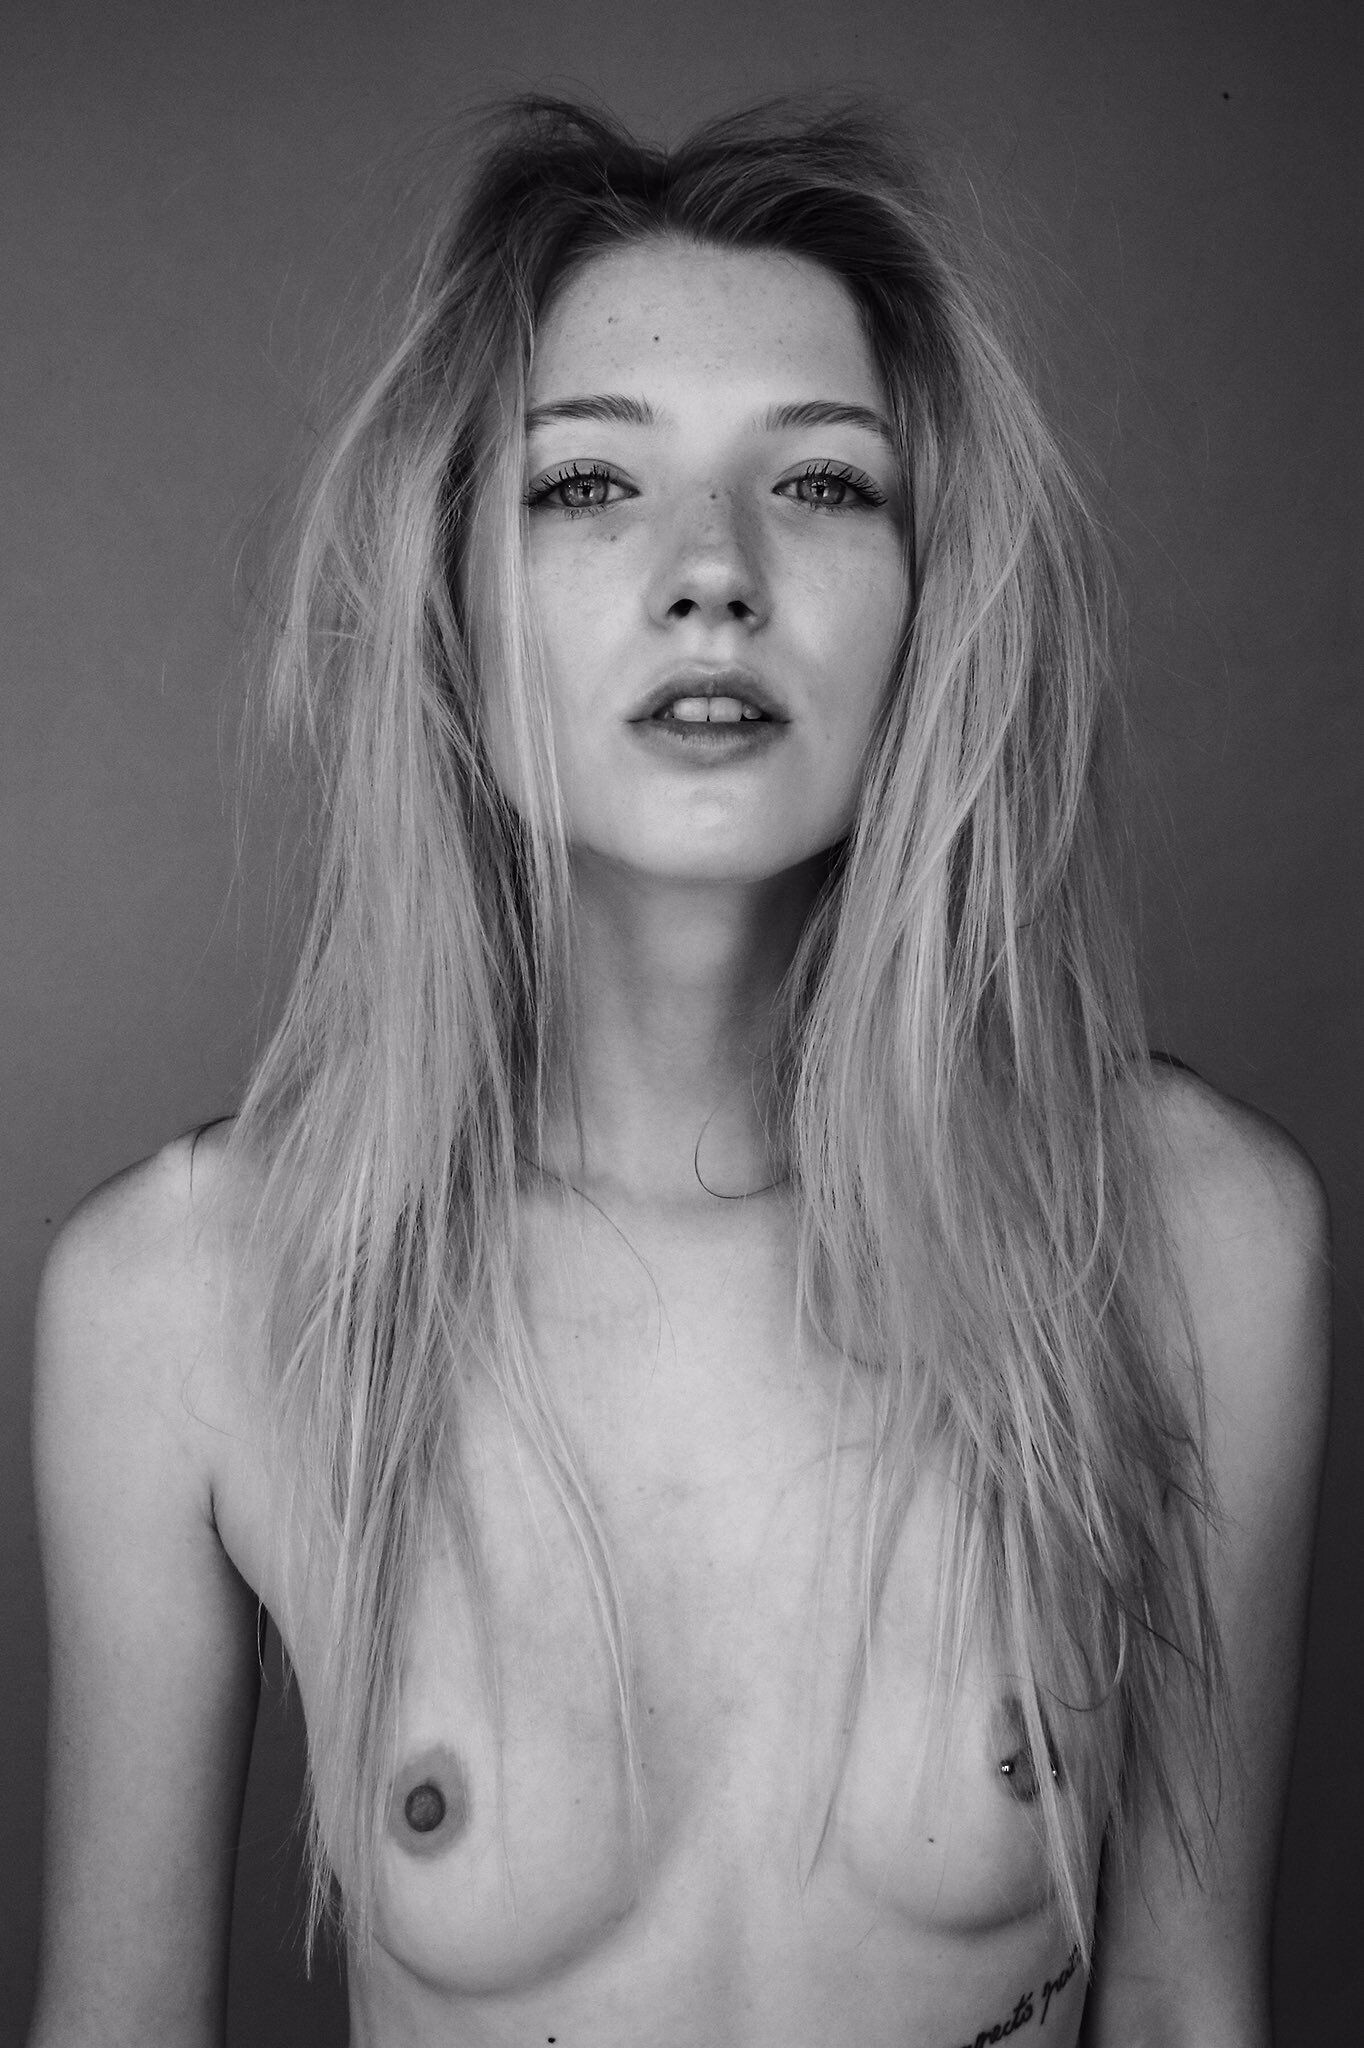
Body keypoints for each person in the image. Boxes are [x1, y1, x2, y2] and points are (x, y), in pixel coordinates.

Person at [27, 96, 1330, 2047]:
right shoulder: (181, 1303)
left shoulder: (1191, 1239)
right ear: (453, 603)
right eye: (585, 484)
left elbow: (1182, 2007)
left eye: (819, 483)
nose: (711, 571)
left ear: (937, 598)